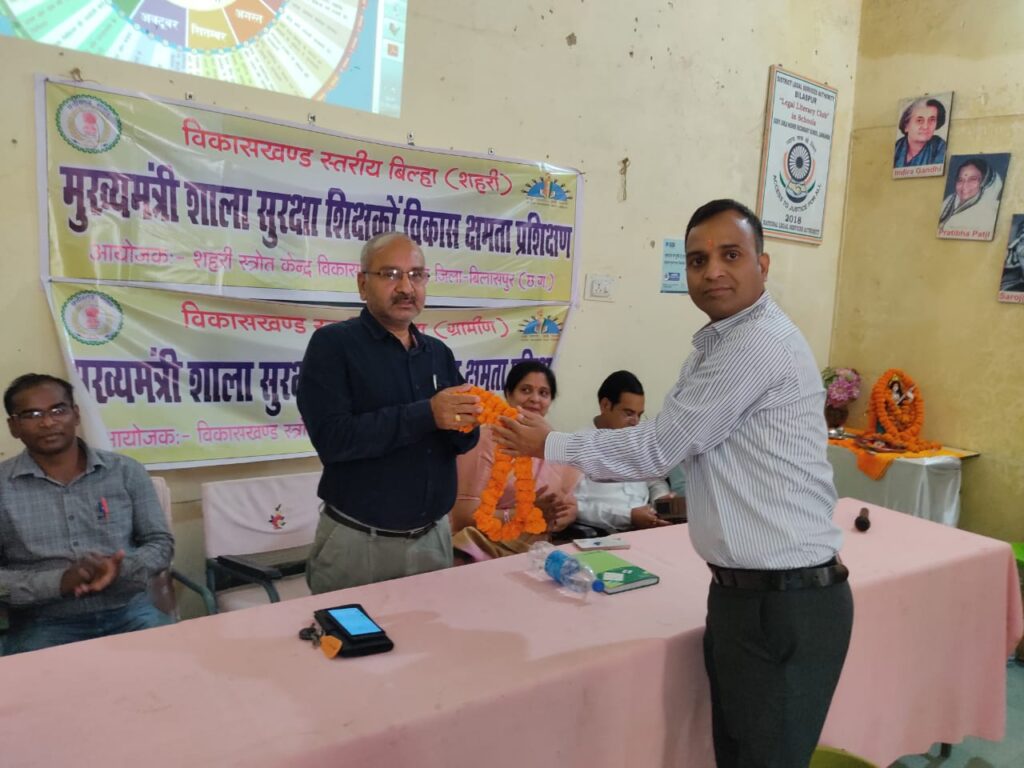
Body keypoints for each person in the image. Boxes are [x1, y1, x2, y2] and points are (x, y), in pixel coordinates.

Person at [495, 200, 853, 768]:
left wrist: (551, 443)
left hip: (785, 602)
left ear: (762, 264)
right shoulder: (715, 346)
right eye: (697, 259)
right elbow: (696, 447)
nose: (712, 271)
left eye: (730, 255)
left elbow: (658, 447)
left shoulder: (757, 344)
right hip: (744, 596)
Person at [296, 232, 481, 593]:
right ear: (362, 284)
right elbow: (333, 439)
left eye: (416, 275)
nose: (406, 287)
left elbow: (462, 442)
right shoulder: (333, 345)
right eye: (391, 274)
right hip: (359, 543)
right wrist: (428, 414)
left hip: (433, 539)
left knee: (435, 631)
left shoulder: (437, 353)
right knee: (352, 632)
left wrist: (467, 422)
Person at [0, 373, 174, 654]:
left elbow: (160, 544)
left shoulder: (126, 471)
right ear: (14, 426)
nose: (48, 422)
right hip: (43, 623)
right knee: (27, 681)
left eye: (58, 410)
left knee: (178, 666)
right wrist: (60, 582)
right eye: (32, 414)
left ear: (76, 414)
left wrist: (120, 569)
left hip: (129, 611)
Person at [449, 361, 579, 561]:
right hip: (482, 553)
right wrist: (521, 514)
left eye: (544, 393)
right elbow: (462, 516)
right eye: (526, 390)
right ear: (508, 394)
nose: (535, 399)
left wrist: (563, 515)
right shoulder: (483, 441)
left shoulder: (553, 445)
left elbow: (567, 504)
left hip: (536, 554)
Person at [573, 370, 671, 532]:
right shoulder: (577, 446)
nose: (635, 422)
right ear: (605, 405)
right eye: (629, 413)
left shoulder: (638, 441)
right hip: (603, 535)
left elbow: (655, 482)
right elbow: (575, 507)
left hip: (649, 529)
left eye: (639, 415)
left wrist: (662, 501)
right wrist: (628, 516)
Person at [938, 156, 1003, 237]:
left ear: (985, 182)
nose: (964, 186)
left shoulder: (991, 213)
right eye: (960, 180)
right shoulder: (949, 201)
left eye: (972, 179)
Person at [893, 97, 947, 168]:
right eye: (919, 120)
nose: (925, 126)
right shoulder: (897, 148)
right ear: (906, 125)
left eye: (932, 120)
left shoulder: (939, 147)